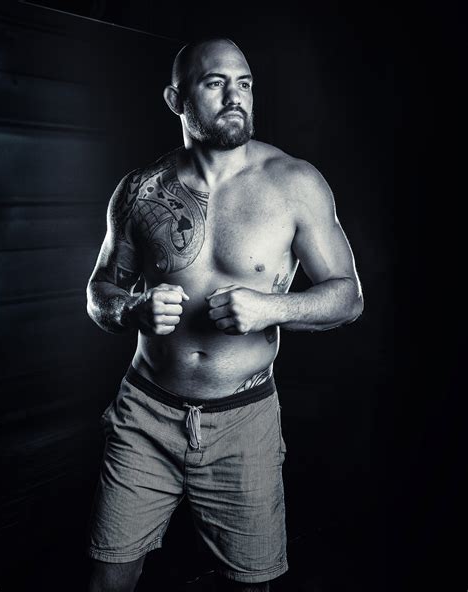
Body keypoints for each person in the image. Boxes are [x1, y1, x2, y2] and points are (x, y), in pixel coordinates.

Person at [85, 37, 363, 592]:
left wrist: (269, 309)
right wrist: (131, 309)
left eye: (245, 83)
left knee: (251, 583)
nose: (236, 97)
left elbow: (348, 297)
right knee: (107, 579)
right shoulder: (140, 190)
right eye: (215, 83)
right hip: (145, 414)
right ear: (176, 99)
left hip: (243, 421)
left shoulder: (294, 183)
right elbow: (99, 291)